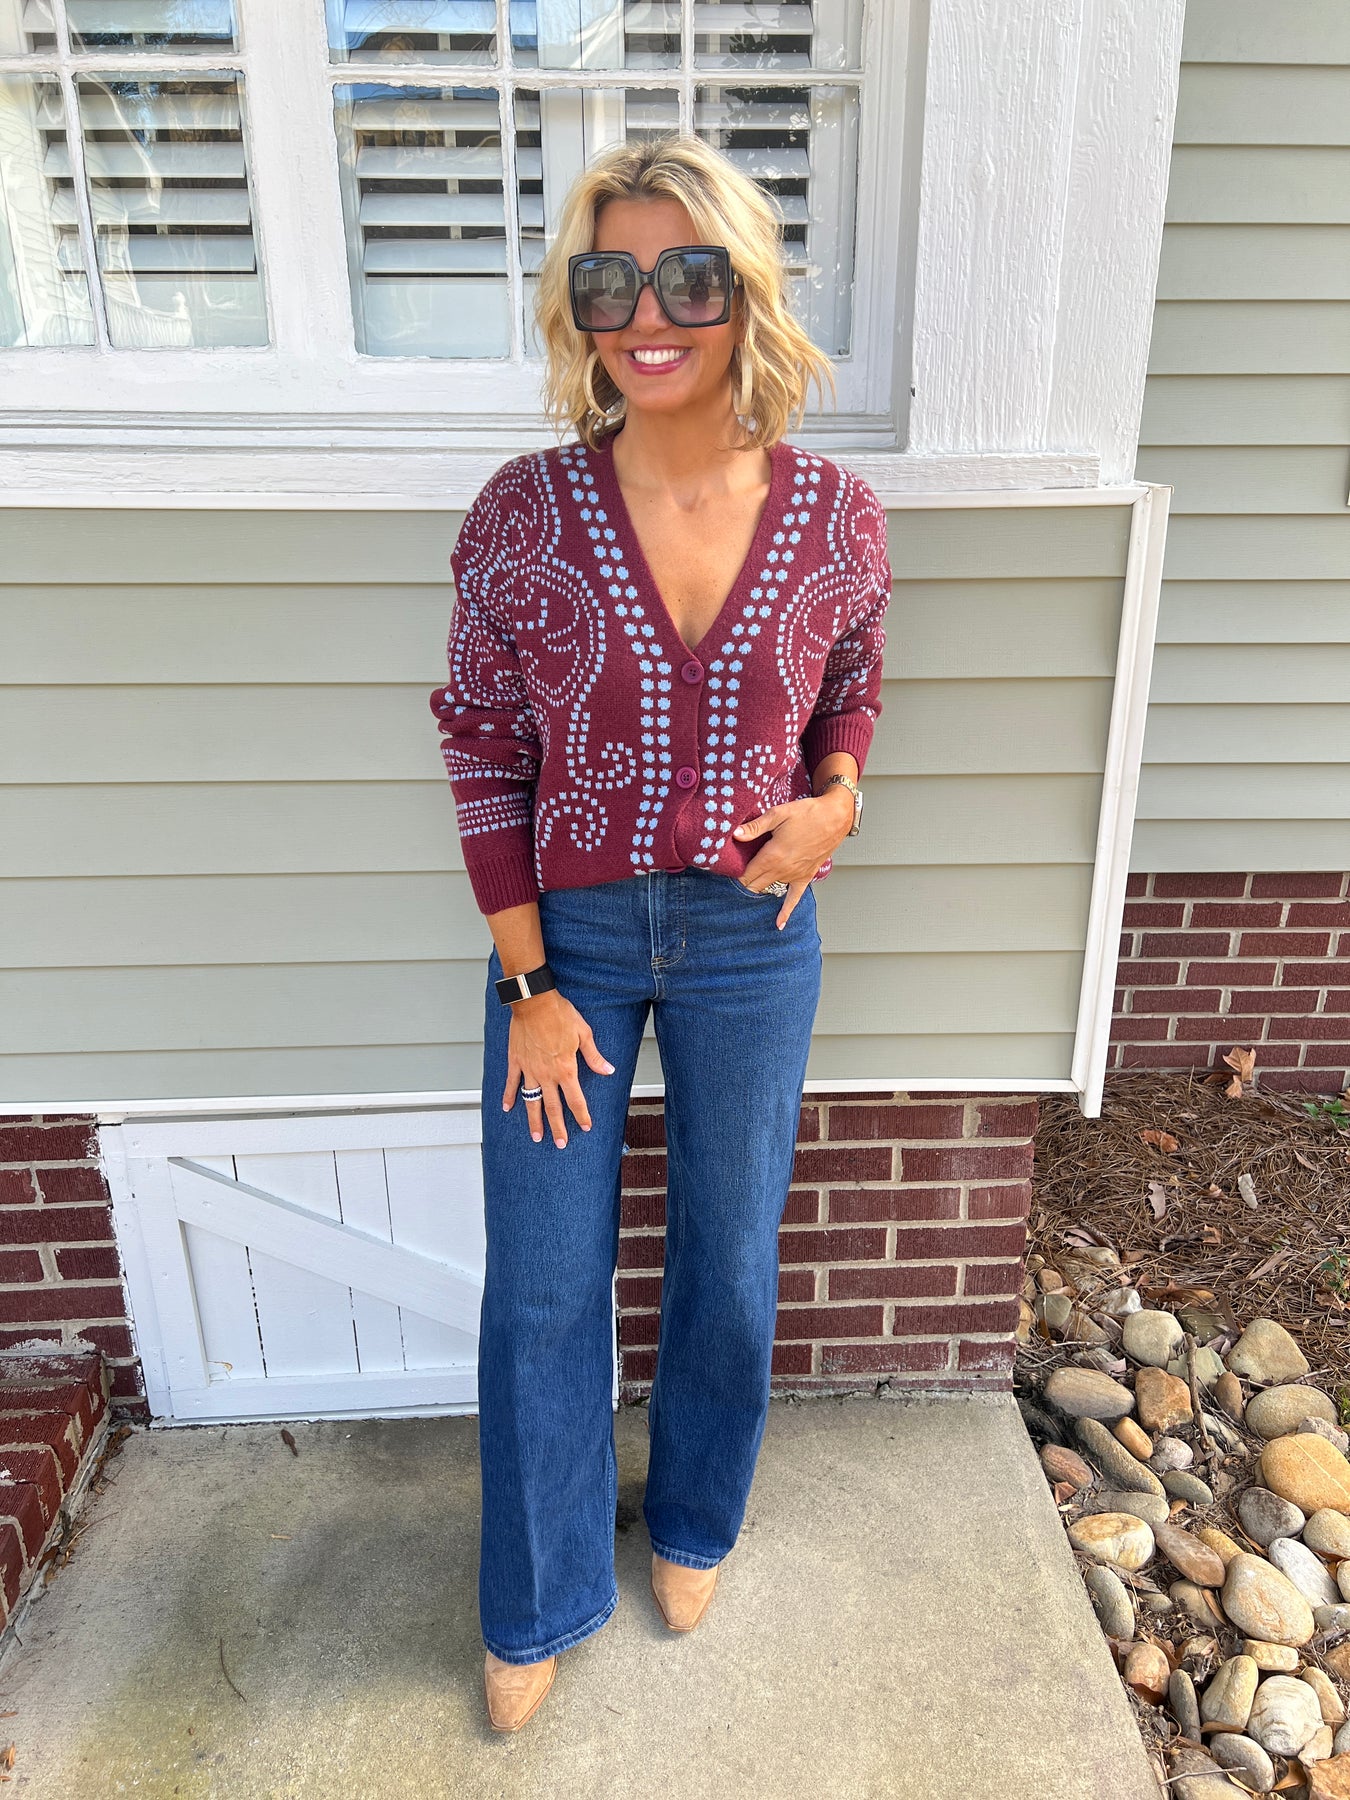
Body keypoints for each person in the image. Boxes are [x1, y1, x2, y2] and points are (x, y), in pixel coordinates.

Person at [429, 133, 891, 1734]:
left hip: (753, 935)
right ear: (576, 305)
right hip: (563, 948)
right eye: (608, 279)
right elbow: (481, 748)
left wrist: (837, 800)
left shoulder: (832, 513)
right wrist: (528, 980)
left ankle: (694, 1516)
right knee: (543, 1285)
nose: (647, 313)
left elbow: (850, 684)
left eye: (687, 276)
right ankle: (538, 1594)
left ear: (742, 295)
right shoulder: (525, 511)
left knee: (729, 1258)